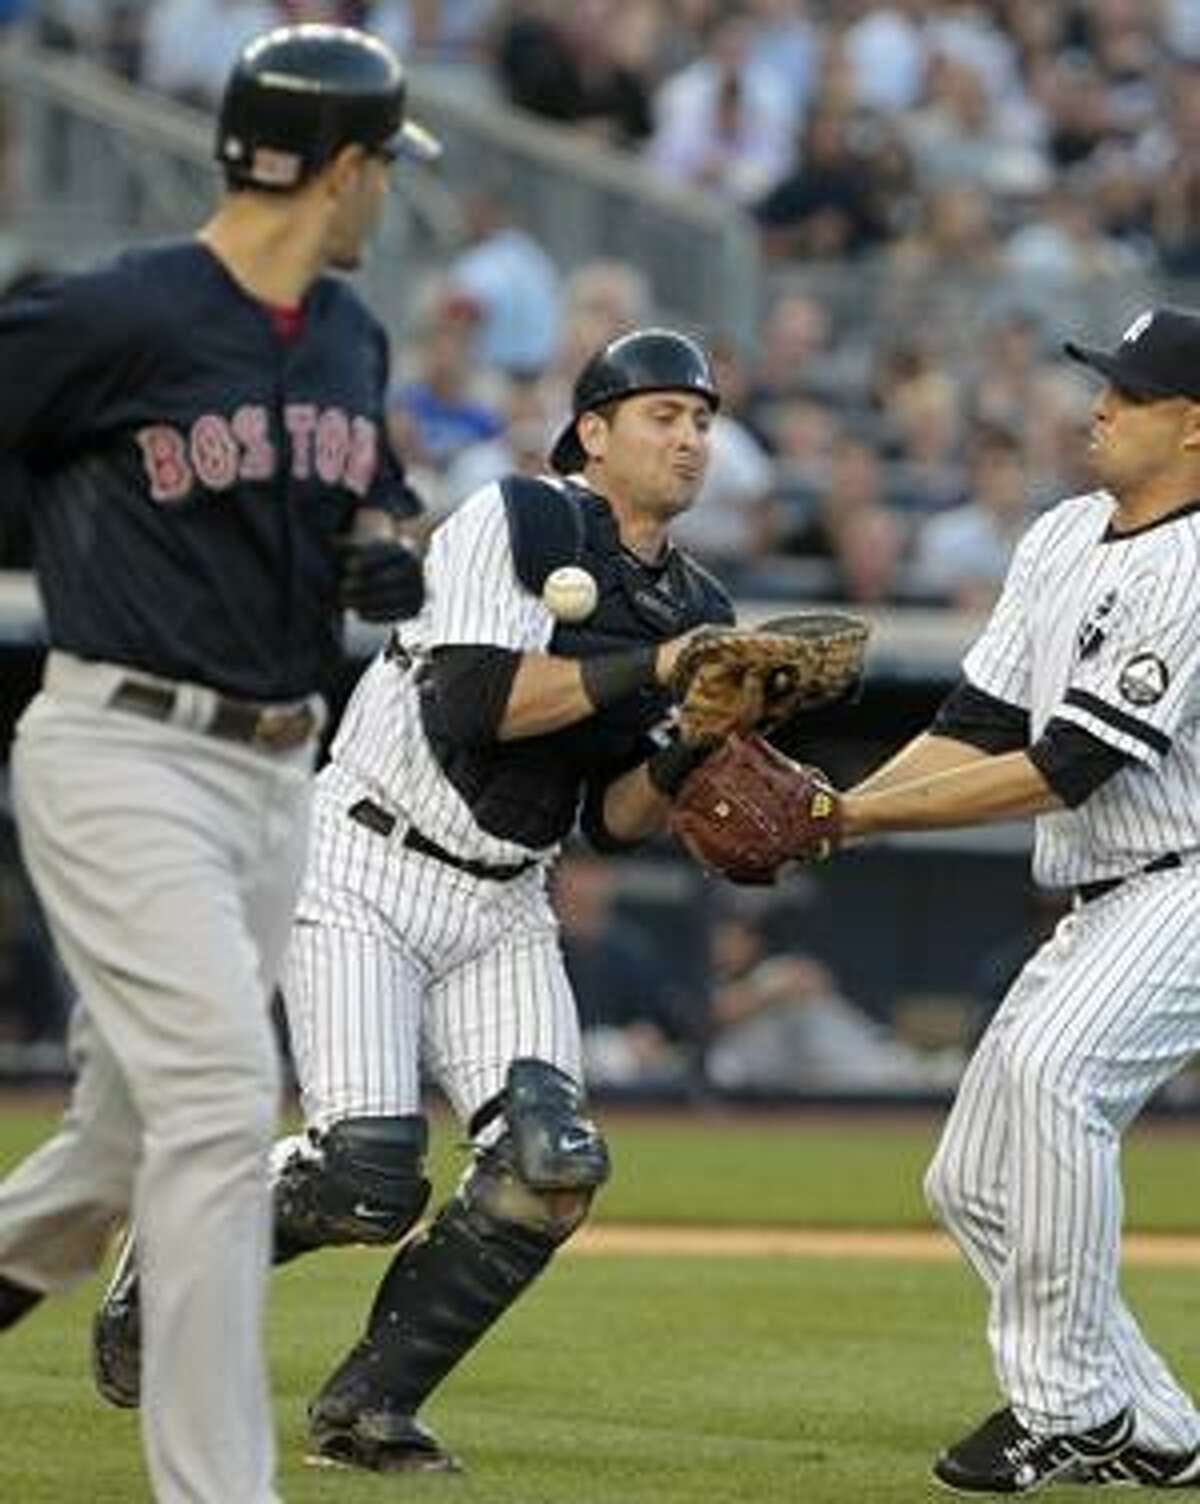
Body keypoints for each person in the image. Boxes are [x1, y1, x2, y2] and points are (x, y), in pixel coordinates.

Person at [93, 327, 735, 1473]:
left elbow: (613, 821)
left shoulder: (694, 600)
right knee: (365, 1176)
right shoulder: (521, 519)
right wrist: (661, 668)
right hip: (366, 864)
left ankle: (367, 1410)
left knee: (552, 1168)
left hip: (506, 898)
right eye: (662, 415)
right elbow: (472, 704)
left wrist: (700, 738)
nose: (689, 438)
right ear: (593, 433)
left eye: (702, 420)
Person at [0, 23, 431, 1504]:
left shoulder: (350, 333)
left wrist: (379, 547)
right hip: (125, 750)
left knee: (125, 1141)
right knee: (217, 1098)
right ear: (346, 166)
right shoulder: (117, 313)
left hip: (271, 776)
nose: (387, 196)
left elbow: (367, 487)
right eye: (383, 168)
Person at [829, 307, 1200, 1492]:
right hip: (1106, 897)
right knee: (972, 1182)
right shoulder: (1060, 534)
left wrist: (857, 816)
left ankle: (1069, 1408)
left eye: (1131, 393)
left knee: (1056, 1080)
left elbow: (1066, 765)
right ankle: (1151, 1421)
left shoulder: (1194, 563)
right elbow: (975, 725)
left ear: (1194, 426)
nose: (1100, 405)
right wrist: (832, 810)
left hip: (1185, 879)